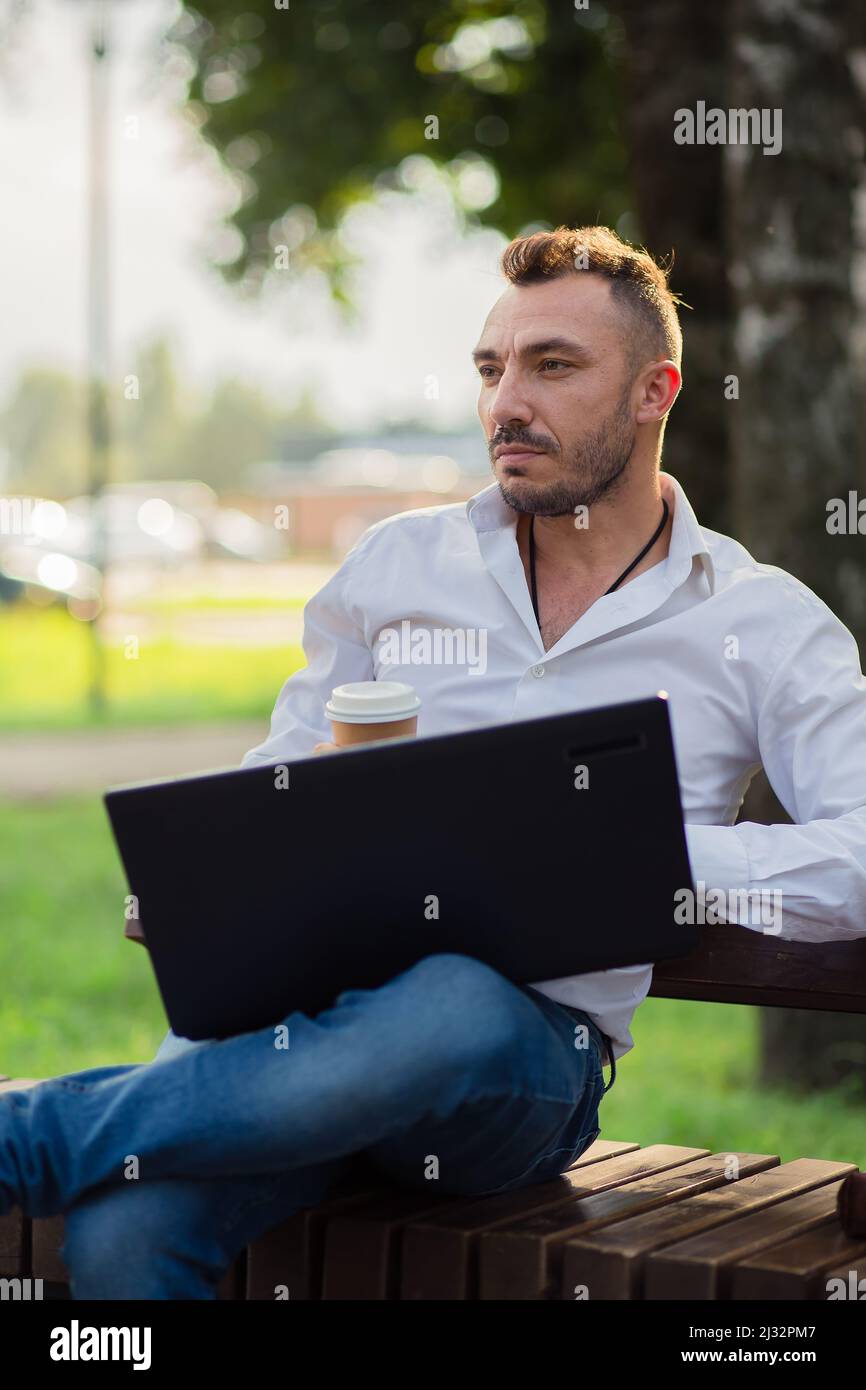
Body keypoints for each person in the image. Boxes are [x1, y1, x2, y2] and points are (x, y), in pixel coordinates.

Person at [3, 226, 865, 1299]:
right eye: (490, 368)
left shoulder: (759, 621)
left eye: (552, 365)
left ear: (655, 392)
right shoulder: (398, 564)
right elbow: (273, 782)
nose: (507, 400)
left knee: (454, 998)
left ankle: (22, 1138)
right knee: (127, 1229)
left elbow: (859, 857)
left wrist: (646, 856)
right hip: (300, 1029)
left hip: (514, 1070)